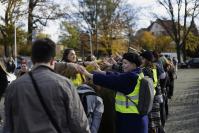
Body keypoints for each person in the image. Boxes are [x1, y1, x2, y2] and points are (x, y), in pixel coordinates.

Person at [4, 38, 90, 133]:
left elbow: (8, 126)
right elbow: (80, 124)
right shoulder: (65, 84)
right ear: (53, 60)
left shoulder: (14, 87)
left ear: (32, 60)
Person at [78, 52, 148, 133]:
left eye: (125, 63)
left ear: (133, 64)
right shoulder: (137, 74)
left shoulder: (131, 78)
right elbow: (117, 76)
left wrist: (87, 74)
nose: (123, 65)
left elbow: (111, 80)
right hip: (136, 118)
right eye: (123, 63)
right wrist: (101, 72)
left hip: (130, 120)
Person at [140, 51, 164, 133]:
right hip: (154, 97)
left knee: (152, 126)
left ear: (147, 60)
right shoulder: (154, 67)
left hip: (150, 99)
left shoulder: (144, 70)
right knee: (155, 125)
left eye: (142, 59)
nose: (141, 60)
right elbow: (161, 77)